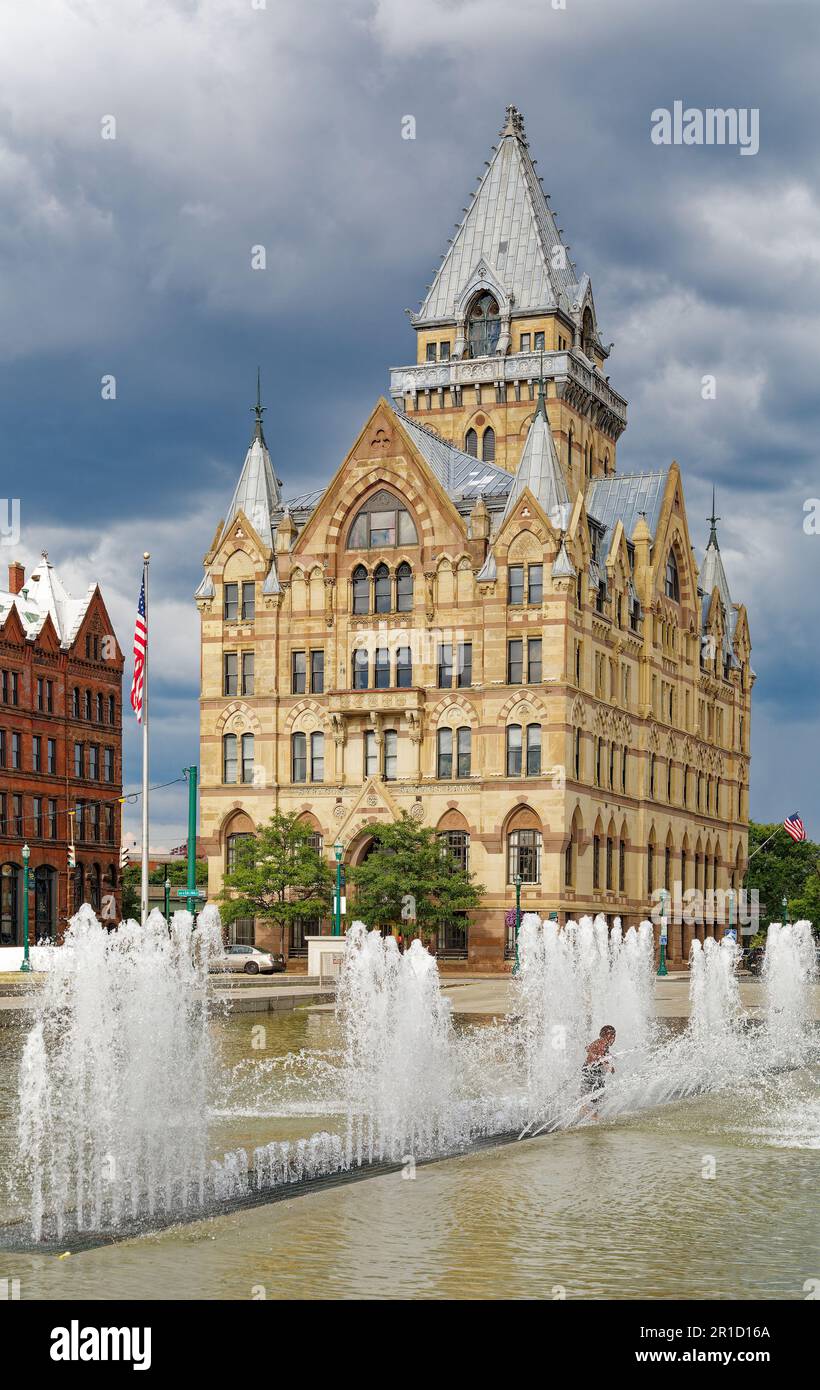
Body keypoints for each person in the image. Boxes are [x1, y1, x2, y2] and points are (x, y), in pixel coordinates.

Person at [580, 1025, 616, 1116]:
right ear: (607, 1036)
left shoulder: (602, 1043)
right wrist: (608, 1066)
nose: (613, 1038)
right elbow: (598, 1056)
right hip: (591, 1070)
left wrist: (608, 1058)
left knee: (598, 1093)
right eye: (612, 1035)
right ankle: (588, 1112)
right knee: (597, 1094)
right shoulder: (602, 1042)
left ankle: (588, 1110)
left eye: (614, 1035)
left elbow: (588, 1048)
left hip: (591, 1069)